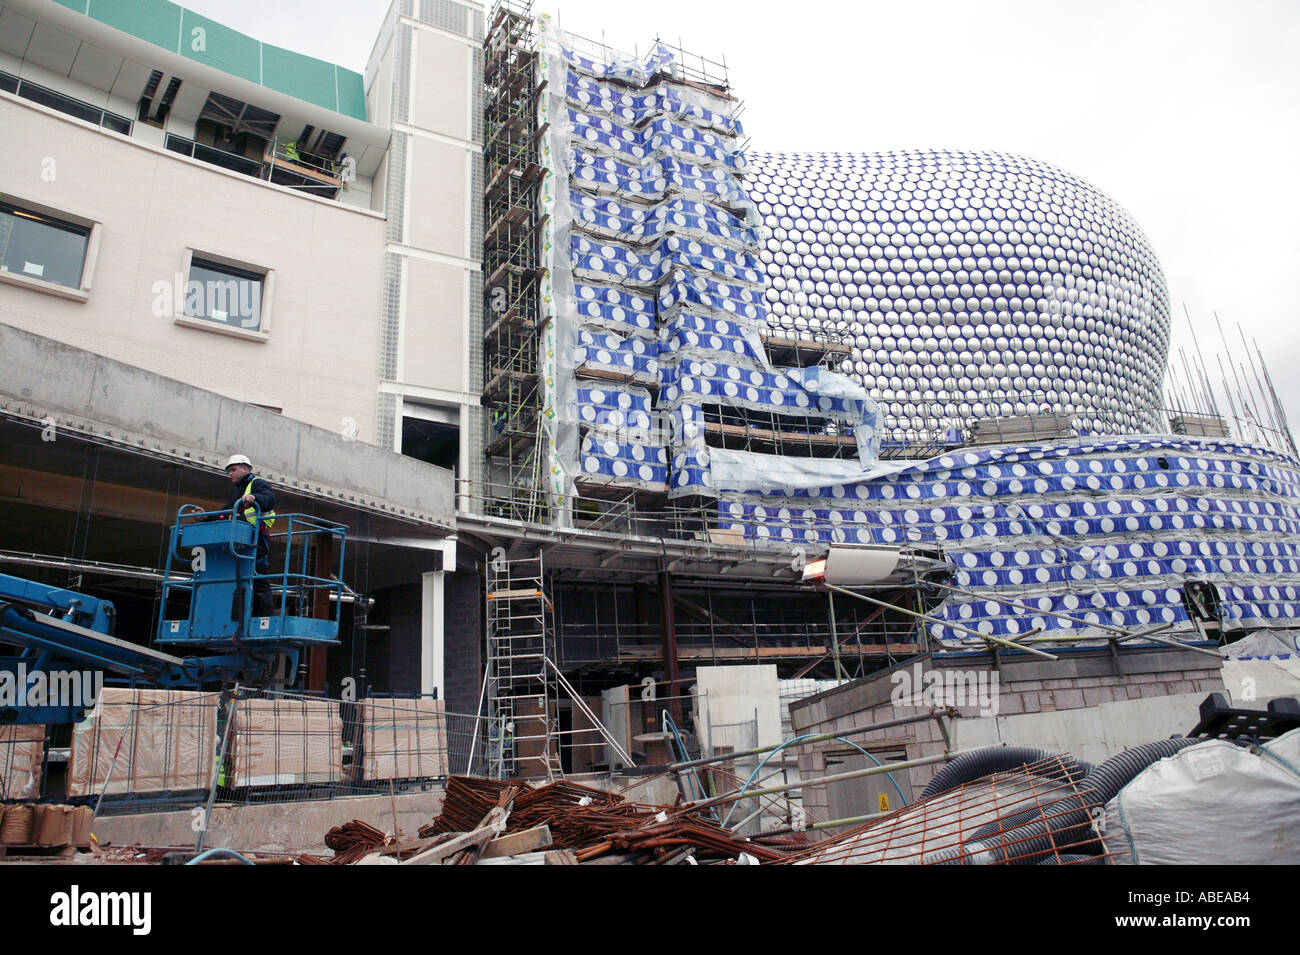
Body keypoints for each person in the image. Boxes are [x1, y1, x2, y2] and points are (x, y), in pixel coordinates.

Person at [222, 454, 277, 616]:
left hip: (255, 540)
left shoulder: (258, 484)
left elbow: (270, 500)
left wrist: (255, 498)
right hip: (239, 540)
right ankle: (240, 617)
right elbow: (224, 512)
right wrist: (205, 516)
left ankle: (263, 618)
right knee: (239, 579)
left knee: (258, 579)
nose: (230, 474)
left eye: (233, 469)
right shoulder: (235, 492)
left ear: (245, 468)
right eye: (228, 471)